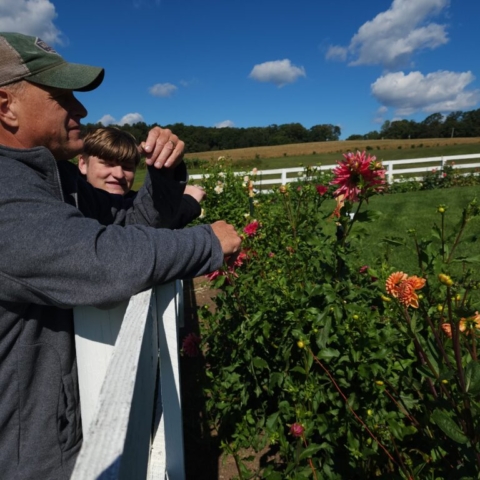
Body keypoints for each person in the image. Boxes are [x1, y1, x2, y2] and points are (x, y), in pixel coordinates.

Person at [0, 32, 241, 479]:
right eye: (61, 96)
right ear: (5, 106)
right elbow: (102, 262)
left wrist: (165, 175)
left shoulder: (56, 181)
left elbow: (132, 225)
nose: (81, 111)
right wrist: (208, 241)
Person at [77, 126, 206, 228]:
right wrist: (191, 199)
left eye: (127, 167)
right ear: (83, 164)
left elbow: (157, 214)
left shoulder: (134, 202)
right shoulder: (70, 204)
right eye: (108, 164)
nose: (119, 174)